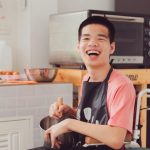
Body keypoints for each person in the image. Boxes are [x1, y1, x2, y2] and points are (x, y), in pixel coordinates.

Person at [44, 16, 136, 150]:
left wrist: (69, 123)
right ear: (78, 46)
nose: (92, 43)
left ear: (112, 47)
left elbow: (116, 139)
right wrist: (70, 112)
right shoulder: (86, 79)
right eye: (86, 38)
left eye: (100, 38)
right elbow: (92, 119)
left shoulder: (121, 85)